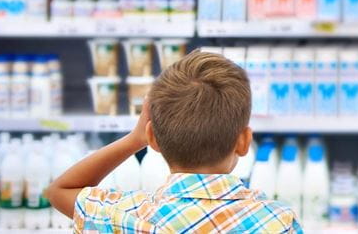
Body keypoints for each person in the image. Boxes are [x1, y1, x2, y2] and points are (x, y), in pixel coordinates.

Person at [47, 51, 302, 233]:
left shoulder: (123, 216)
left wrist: (133, 140)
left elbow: (60, 191)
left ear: (152, 139)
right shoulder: (276, 221)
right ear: (244, 141)